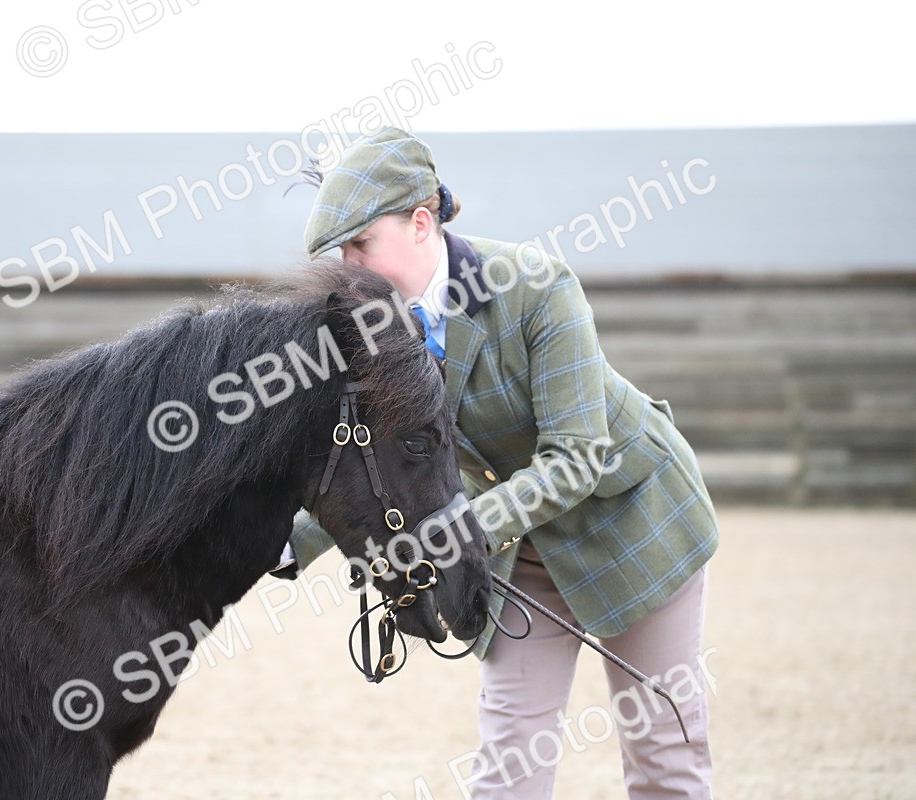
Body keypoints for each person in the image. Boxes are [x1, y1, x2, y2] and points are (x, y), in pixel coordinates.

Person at [278, 127, 719, 799]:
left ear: (421, 222)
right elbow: (360, 460)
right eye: (342, 250)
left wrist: (456, 531)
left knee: (665, 757)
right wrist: (279, 541)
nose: (350, 266)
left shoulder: (539, 288)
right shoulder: (369, 327)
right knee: (508, 768)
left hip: (636, 524)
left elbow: (575, 460)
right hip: (516, 557)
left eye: (361, 244)